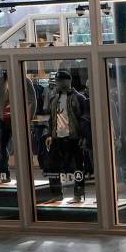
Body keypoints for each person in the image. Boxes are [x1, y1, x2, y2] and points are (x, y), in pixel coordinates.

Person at [44, 70, 87, 202]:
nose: (57, 83)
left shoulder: (79, 98)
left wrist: (83, 137)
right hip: (57, 138)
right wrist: (50, 135)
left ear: (67, 81)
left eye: (60, 81)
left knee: (78, 167)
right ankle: (56, 194)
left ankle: (78, 195)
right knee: (52, 166)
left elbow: (84, 120)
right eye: (57, 81)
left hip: (74, 137)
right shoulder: (54, 99)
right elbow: (52, 119)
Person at [0, 69, 33, 185]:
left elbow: (32, 101)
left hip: (19, 121)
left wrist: (27, 120)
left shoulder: (25, 81)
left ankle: (24, 178)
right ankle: (4, 175)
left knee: (21, 149)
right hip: (2, 120)